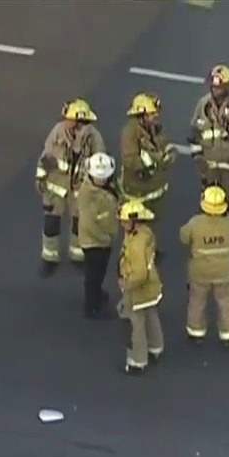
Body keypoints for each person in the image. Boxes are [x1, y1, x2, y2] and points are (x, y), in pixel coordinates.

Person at [36, 99, 105, 271]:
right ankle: (49, 258)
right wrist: (40, 179)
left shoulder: (93, 137)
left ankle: (77, 255)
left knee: (78, 223)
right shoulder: (58, 132)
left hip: (80, 188)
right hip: (56, 185)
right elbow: (46, 158)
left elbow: (100, 163)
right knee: (51, 222)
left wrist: (97, 188)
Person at [179, 185, 229, 345]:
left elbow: (183, 237)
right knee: (226, 302)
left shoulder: (195, 223)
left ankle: (196, 332)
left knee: (197, 301)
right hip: (225, 272)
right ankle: (228, 334)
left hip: (200, 272)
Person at [190, 64, 229, 197]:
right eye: (213, 86)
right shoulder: (203, 105)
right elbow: (195, 135)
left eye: (219, 86)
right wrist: (199, 160)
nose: (215, 89)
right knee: (208, 206)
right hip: (208, 171)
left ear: (228, 87)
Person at [117, 201, 164, 375]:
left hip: (138, 289)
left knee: (135, 324)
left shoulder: (136, 243)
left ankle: (138, 360)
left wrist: (127, 284)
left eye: (125, 222)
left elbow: (140, 273)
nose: (122, 224)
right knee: (151, 315)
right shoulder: (146, 234)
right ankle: (156, 347)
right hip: (151, 287)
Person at [74, 153, 121, 319]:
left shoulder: (105, 188)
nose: (102, 180)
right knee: (93, 275)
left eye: (105, 177)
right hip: (95, 243)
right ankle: (92, 306)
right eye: (98, 178)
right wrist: (105, 239)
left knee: (99, 272)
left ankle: (97, 294)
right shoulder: (87, 196)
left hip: (103, 239)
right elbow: (89, 224)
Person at [121, 93, 175, 236]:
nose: (156, 116)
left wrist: (169, 156)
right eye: (152, 113)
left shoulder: (155, 129)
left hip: (154, 188)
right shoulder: (130, 133)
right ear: (141, 115)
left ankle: (151, 249)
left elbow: (168, 146)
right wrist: (153, 161)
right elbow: (130, 160)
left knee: (152, 225)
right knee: (136, 227)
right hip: (137, 189)